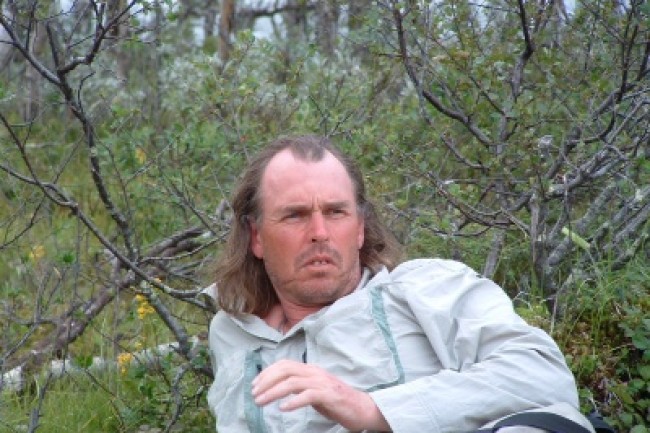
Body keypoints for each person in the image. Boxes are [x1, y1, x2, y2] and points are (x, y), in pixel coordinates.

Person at [206, 135, 593, 433]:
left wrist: (371, 409)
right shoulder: (231, 333)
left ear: (360, 227)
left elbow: (542, 375)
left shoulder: (428, 287)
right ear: (256, 236)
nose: (319, 232)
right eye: (295, 215)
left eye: (336, 212)